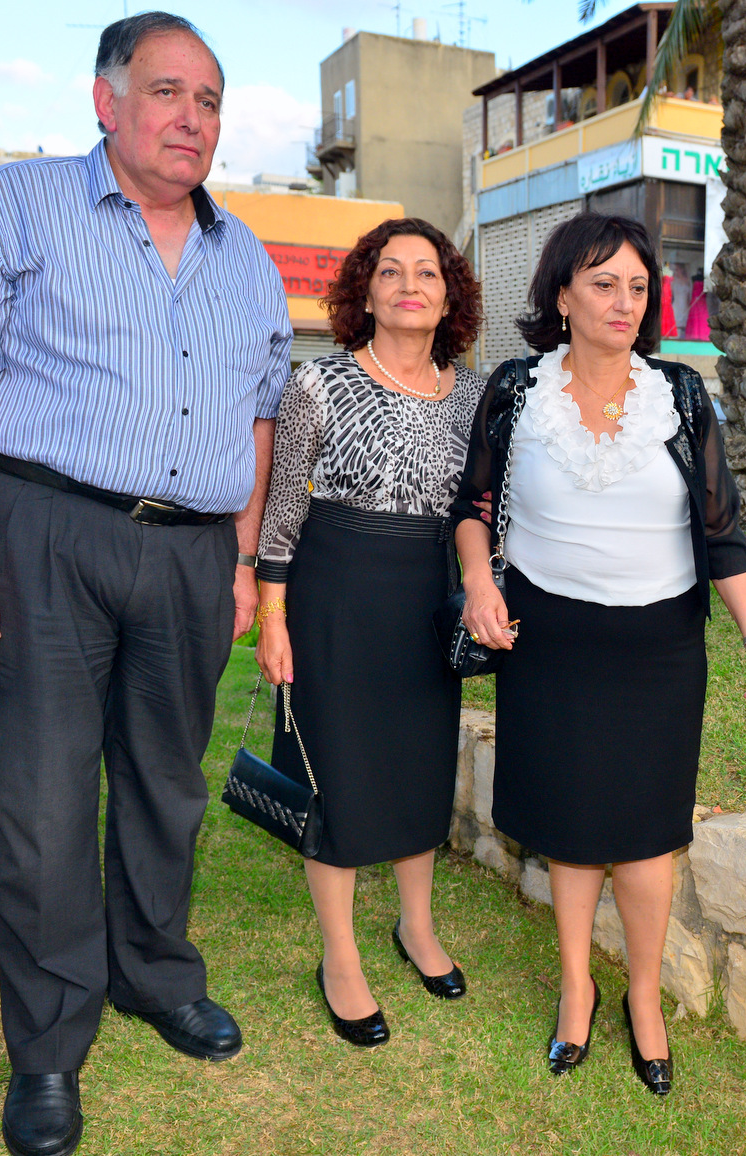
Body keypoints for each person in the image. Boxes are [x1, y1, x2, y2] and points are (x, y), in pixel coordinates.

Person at [0, 14, 291, 1155]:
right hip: (37, 533)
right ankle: (50, 1041)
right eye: (167, 91)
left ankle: (153, 971)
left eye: (209, 100)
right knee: (41, 804)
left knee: (165, 784)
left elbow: (256, 420)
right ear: (107, 101)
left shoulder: (246, 258)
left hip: (190, 554)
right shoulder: (12, 207)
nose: (191, 117)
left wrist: (239, 557)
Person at [452, 213, 746, 1098]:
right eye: (604, 284)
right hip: (549, 641)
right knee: (569, 826)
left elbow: (722, 529)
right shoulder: (516, 389)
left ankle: (643, 997)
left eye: (639, 287)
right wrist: (480, 584)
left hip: (658, 647)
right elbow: (473, 505)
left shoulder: (680, 394)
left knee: (645, 834)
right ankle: (577, 990)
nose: (624, 302)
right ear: (561, 295)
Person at [253, 218, 486, 1048]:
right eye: (391, 271)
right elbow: (282, 512)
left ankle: (416, 927)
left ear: (449, 297)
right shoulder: (317, 384)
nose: (409, 285)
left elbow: (484, 509)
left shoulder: (473, 395)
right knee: (338, 771)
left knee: (420, 765)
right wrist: (272, 618)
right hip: (334, 596)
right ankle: (341, 956)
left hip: (427, 594)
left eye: (427, 272)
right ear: (366, 291)